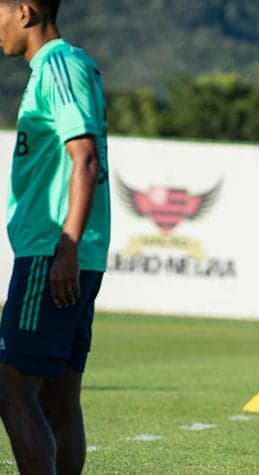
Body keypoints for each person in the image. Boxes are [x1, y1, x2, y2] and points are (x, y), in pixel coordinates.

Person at [0, 0, 111, 473]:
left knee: (11, 387)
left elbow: (84, 158)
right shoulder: (52, 68)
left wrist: (64, 245)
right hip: (65, 252)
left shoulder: (58, 64)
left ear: (24, 11)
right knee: (59, 396)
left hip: (52, 253)